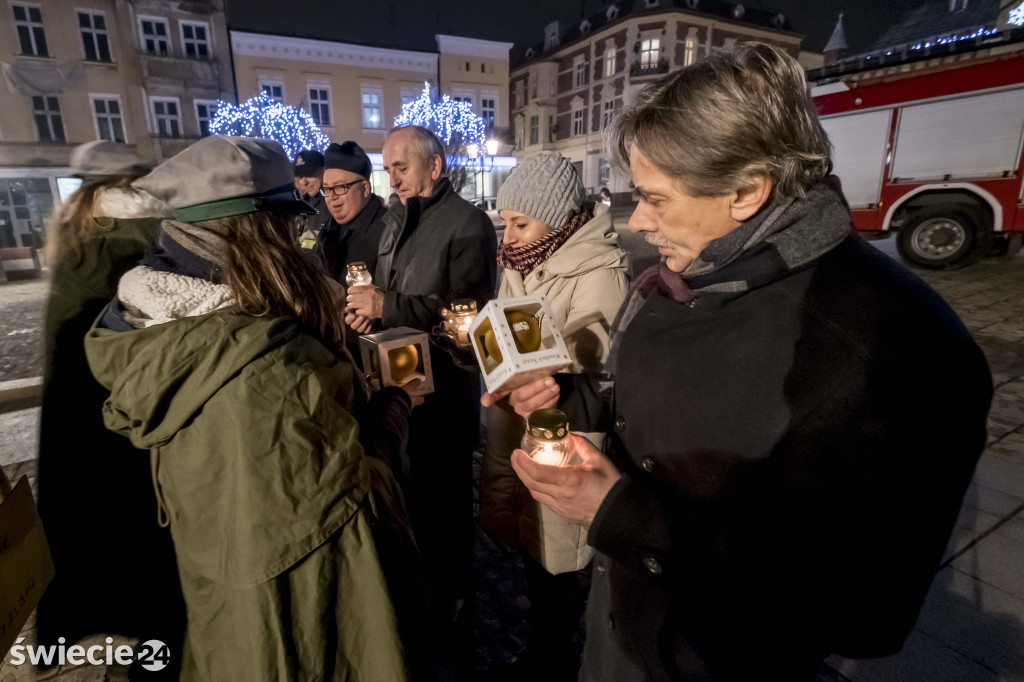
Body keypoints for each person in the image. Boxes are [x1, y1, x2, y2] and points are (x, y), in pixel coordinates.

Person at [485, 43, 993, 681]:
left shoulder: (900, 353)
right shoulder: (689, 276)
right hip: (620, 639)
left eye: (656, 199)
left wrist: (619, 514)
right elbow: (642, 400)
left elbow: (863, 611)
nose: (638, 223)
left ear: (747, 192)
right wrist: (570, 395)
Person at [84, 135, 428, 681]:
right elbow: (356, 513)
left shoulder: (162, 332)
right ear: (258, 234)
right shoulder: (269, 364)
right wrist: (391, 410)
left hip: (225, 614)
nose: (299, 239)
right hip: (303, 631)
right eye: (288, 226)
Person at [36, 140, 187, 677]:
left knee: (105, 558)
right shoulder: (142, 233)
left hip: (75, 431)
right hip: (124, 430)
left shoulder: (76, 235)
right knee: (154, 579)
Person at [346, 124, 497, 650]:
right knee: (408, 488)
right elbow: (388, 287)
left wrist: (387, 306)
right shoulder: (396, 217)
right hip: (399, 377)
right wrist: (370, 311)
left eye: (401, 167)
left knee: (446, 494)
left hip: (447, 387)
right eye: (387, 168)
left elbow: (468, 310)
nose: (393, 178)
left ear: (434, 166)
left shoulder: (469, 223)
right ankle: (422, 584)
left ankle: (453, 596)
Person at [480, 151, 628, 678]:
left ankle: (553, 659)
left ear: (560, 217)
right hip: (517, 424)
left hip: (561, 429)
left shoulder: (600, 268)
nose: (510, 235)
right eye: (505, 223)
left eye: (521, 222)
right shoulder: (522, 263)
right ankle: (540, 648)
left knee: (560, 562)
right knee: (530, 546)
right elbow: (504, 323)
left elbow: (594, 343)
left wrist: (543, 364)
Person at [313, 141, 387, 280]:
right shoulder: (329, 229)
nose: (332, 197)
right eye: (327, 189)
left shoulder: (388, 232)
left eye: (340, 187)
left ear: (365, 188)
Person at [293, 148, 330, 247]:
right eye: (300, 176)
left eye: (309, 174)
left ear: (323, 172)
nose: (304, 182)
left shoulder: (332, 208)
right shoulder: (289, 210)